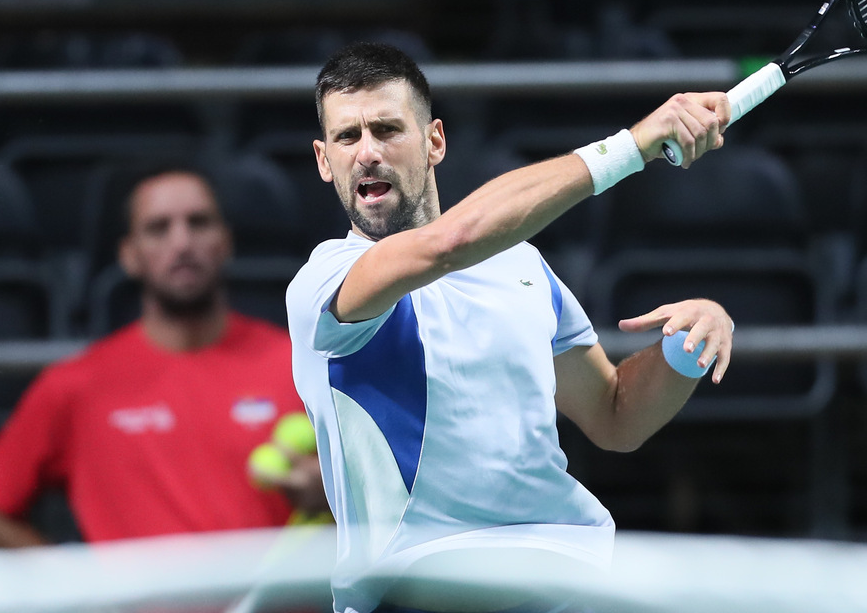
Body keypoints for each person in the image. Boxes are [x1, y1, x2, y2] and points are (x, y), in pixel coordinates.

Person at [287, 43, 735, 613]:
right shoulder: (324, 284)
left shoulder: (520, 265)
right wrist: (632, 146)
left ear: (435, 142)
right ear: (325, 161)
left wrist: (682, 351)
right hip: (421, 590)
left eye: (387, 129)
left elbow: (615, 416)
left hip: (565, 578)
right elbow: (450, 243)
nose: (368, 153)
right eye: (348, 137)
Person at [0, 166, 328, 546]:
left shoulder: (300, 365)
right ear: (129, 255)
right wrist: (72, 593)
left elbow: (382, 500)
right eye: (158, 228)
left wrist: (332, 499)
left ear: (225, 243)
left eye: (198, 223)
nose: (182, 242)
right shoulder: (77, 385)